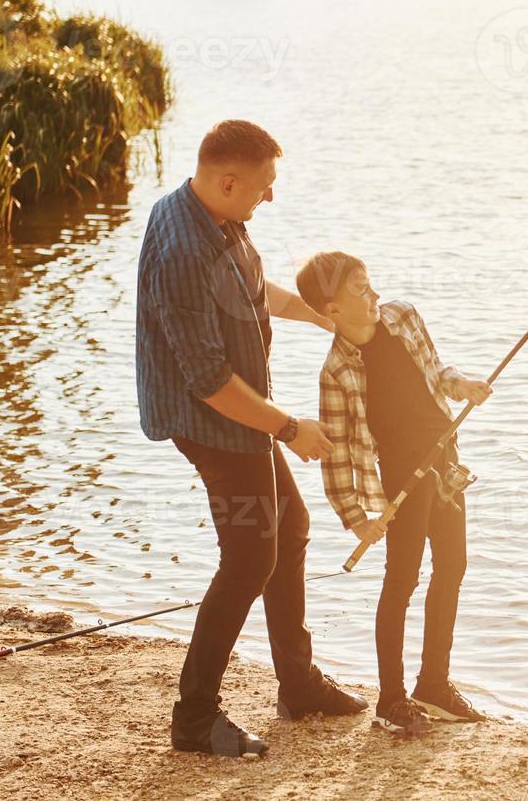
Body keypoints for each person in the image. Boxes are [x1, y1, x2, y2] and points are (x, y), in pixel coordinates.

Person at [135, 120, 367, 758]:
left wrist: (321, 318)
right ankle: (194, 719)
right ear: (228, 179)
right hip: (211, 421)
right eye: (264, 187)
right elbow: (209, 382)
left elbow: (248, 291)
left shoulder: (213, 214)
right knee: (247, 559)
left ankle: (296, 685)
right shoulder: (184, 247)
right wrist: (290, 428)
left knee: (288, 530)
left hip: (240, 415)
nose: (270, 198)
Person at [295, 250, 492, 737]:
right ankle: (392, 698)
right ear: (331, 311)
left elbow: (436, 373)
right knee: (401, 579)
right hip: (400, 476)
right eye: (360, 290)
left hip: (444, 456)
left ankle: (434, 685)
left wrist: (462, 385)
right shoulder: (336, 372)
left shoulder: (403, 316)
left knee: (453, 565)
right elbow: (337, 451)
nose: (375, 295)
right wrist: (356, 516)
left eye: (370, 283)